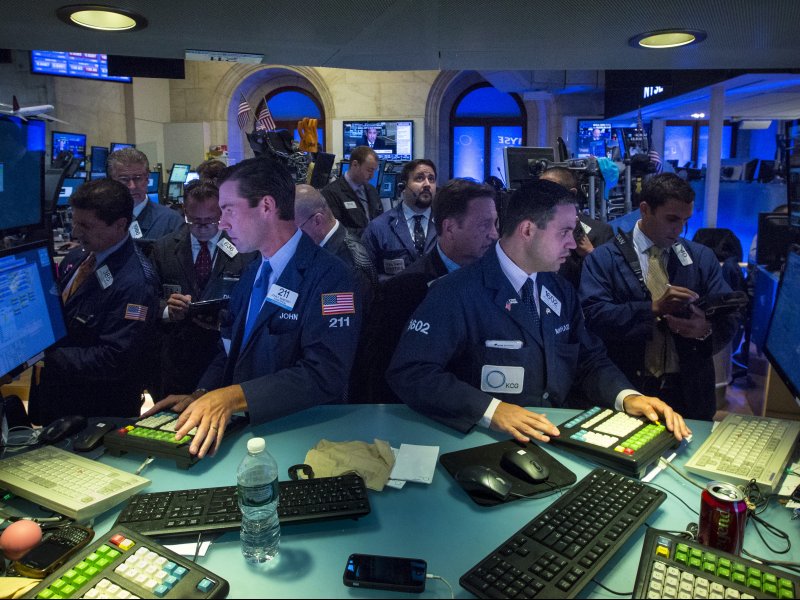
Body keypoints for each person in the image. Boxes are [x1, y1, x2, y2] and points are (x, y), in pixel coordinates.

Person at [387, 179, 690, 443]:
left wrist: (627, 396)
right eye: (564, 232)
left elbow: (589, 358)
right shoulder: (455, 292)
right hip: (482, 441)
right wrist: (490, 409)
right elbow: (411, 372)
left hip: (552, 436)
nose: (573, 243)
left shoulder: (560, 289)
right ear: (528, 230)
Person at [143, 156, 362, 458]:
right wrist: (203, 394)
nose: (221, 223)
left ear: (267, 207)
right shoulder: (252, 271)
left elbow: (325, 374)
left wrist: (233, 397)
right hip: (252, 436)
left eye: (228, 210)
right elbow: (229, 346)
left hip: (303, 439)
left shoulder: (332, 277)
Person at [579, 173, 739, 420]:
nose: (679, 229)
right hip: (629, 391)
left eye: (685, 220)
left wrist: (704, 329)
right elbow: (592, 316)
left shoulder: (700, 257)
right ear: (645, 209)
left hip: (690, 394)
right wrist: (652, 309)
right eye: (672, 219)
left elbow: (729, 317)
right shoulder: (604, 258)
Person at [351, 178, 499, 403]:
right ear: (449, 228)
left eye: (495, 223)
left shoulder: (497, 281)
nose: (494, 234)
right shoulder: (402, 292)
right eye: (484, 225)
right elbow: (379, 374)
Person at [28, 178, 160, 424]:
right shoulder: (78, 256)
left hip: (94, 413)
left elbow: (114, 359)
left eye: (86, 225)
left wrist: (45, 355)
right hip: (54, 397)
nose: (76, 233)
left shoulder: (136, 283)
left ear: (120, 225)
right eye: (75, 222)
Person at [150, 180, 257, 396]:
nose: (203, 227)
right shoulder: (163, 248)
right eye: (195, 221)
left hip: (223, 358)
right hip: (177, 359)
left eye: (210, 220)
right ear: (184, 212)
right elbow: (145, 299)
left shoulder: (245, 249)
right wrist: (166, 310)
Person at [294, 183, 377, 303]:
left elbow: (333, 313)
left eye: (295, 229)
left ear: (317, 220)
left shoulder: (349, 266)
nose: (291, 236)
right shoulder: (322, 246)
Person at [361, 159, 438, 279]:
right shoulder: (378, 227)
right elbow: (365, 277)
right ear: (403, 186)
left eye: (431, 179)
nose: (427, 184)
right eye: (419, 178)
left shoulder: (446, 224)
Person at [540, 167, 614, 288]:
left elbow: (610, 281)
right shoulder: (531, 228)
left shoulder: (601, 232)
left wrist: (590, 254)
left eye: (550, 190)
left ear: (571, 194)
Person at [107, 147, 183, 241]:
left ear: (147, 178)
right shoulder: (100, 219)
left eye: (138, 178)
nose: (132, 186)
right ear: (112, 182)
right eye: (124, 179)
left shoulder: (171, 221)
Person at [321, 146, 382, 235]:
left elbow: (381, 220)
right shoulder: (331, 193)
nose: (372, 176)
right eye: (369, 170)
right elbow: (337, 231)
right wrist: (369, 234)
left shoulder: (372, 190)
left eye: (374, 171)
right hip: (351, 246)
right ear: (355, 165)